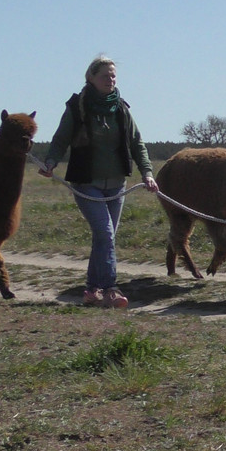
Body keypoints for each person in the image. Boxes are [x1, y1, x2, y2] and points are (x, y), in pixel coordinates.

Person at [39, 56, 159, 308]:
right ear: (90, 78)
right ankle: (110, 289)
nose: (111, 79)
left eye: (113, 75)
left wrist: (147, 172)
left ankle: (92, 289)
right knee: (105, 234)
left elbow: (137, 143)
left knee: (105, 237)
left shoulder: (121, 109)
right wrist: (50, 162)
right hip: (86, 184)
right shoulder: (77, 107)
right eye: (105, 75)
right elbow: (61, 139)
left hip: (117, 185)